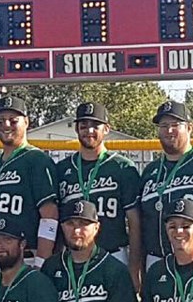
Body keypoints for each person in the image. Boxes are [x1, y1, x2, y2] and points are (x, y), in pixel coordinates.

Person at [137, 100, 193, 290]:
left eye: (175, 125)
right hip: (156, 260)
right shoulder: (151, 170)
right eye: (163, 126)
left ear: (189, 128)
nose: (169, 130)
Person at [55, 101, 143, 276]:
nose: (89, 131)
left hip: (114, 253)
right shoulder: (62, 169)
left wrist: (134, 267)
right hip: (74, 256)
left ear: (107, 129)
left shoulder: (123, 167)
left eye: (95, 125)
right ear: (76, 129)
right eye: (83, 126)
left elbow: (134, 222)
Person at [0, 96, 58, 274]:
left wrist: (41, 263)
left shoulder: (36, 160)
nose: (6, 125)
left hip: (27, 257)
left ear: (26, 122)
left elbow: (50, 215)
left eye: (13, 121)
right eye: (0, 121)